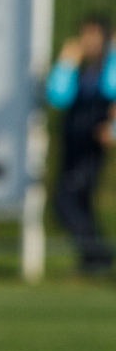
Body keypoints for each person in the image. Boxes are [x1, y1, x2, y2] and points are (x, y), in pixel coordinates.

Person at [44, 14, 116, 274]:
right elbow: (57, 97)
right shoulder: (82, 71)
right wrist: (65, 62)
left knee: (68, 200)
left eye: (94, 36)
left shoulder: (109, 68)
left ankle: (98, 257)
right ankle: (93, 259)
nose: (88, 41)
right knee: (77, 202)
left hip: (91, 148)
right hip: (72, 143)